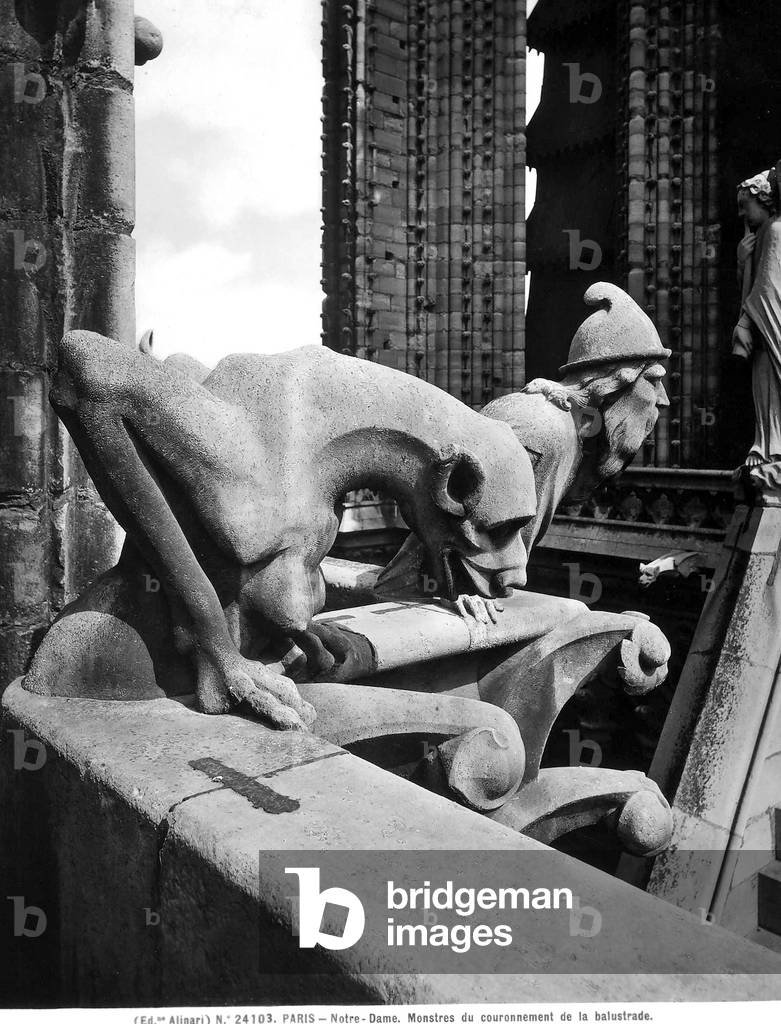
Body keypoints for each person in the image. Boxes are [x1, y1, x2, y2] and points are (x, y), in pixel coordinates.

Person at [732, 167, 781, 497]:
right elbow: (752, 286)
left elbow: (768, 289)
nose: (741, 213)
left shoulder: (776, 230)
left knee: (771, 389)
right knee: (763, 390)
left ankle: (772, 450)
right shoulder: (760, 236)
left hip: (769, 327)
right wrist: (741, 261)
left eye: (744, 205)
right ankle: (765, 447)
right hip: (763, 328)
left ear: (762, 201)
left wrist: (745, 323)